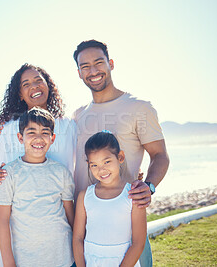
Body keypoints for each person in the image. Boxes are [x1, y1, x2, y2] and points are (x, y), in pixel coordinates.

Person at [72, 40, 170, 266]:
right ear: (79, 73)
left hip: (125, 225)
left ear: (111, 64)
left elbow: (160, 156)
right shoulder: (77, 115)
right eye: (85, 66)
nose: (93, 71)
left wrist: (149, 186)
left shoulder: (139, 108)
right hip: (86, 224)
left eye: (99, 63)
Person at [0, 63, 77, 266]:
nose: (34, 86)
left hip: (59, 234)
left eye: (39, 80)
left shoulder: (68, 125)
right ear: (20, 94)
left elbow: (83, 166)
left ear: (49, 85)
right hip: (24, 235)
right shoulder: (10, 129)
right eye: (26, 84)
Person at [73, 131, 146, 266]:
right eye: (94, 165)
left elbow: (138, 243)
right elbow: (77, 238)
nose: (101, 170)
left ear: (120, 157)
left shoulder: (133, 195)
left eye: (107, 162)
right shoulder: (84, 196)